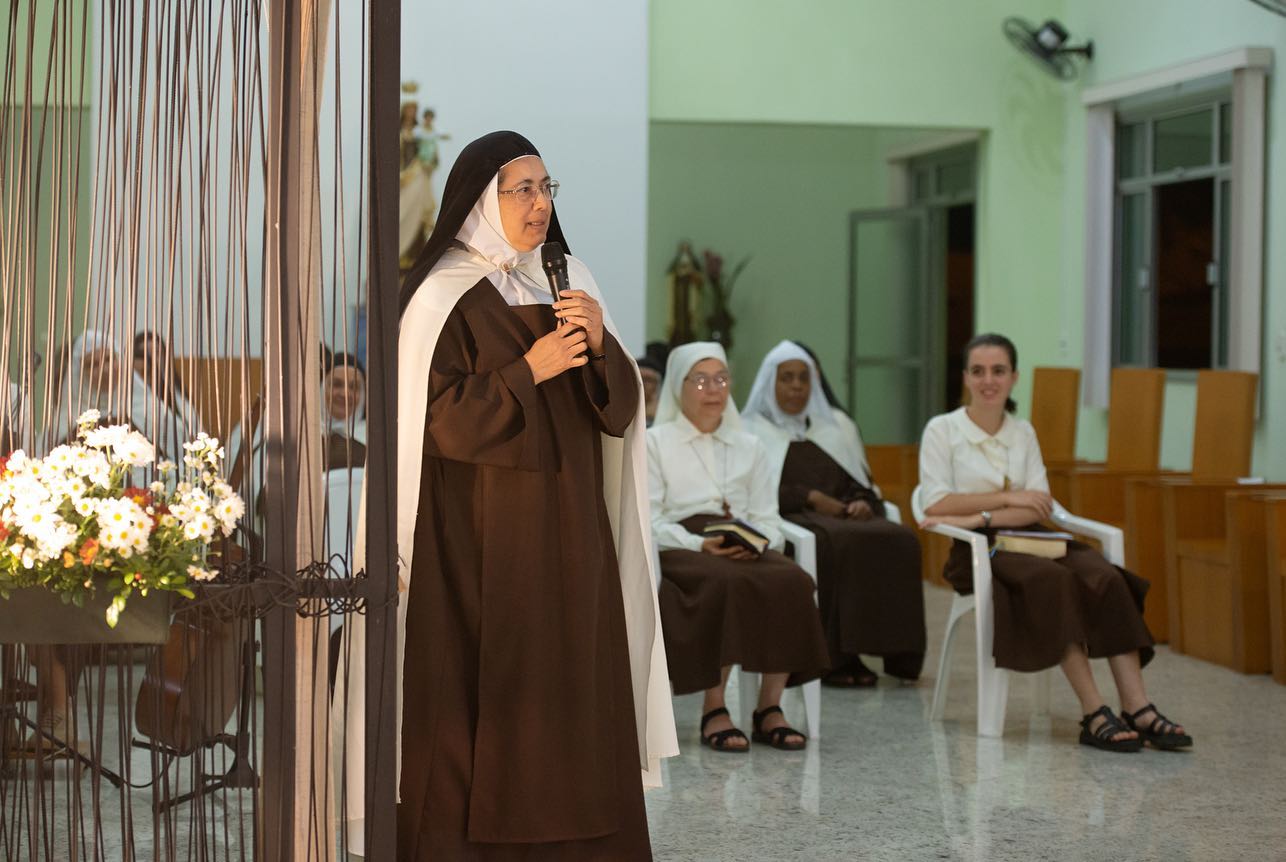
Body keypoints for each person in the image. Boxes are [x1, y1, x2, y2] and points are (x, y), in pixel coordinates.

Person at [369, 130, 674, 860]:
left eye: (547, 190)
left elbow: (619, 411)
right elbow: (431, 421)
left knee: (576, 693)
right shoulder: (440, 295)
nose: (540, 205)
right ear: (482, 201)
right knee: (485, 703)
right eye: (524, 190)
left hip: (572, 531)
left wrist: (601, 349)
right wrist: (527, 372)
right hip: (478, 541)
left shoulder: (570, 281)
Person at [918, 333, 1192, 753]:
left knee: (1105, 575)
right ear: (966, 378)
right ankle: (1093, 710)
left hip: (1030, 535)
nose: (988, 380)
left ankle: (1137, 706)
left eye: (998, 371)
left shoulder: (1022, 432)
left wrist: (981, 511)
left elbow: (1038, 506)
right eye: (978, 371)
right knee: (1052, 582)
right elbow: (937, 503)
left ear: (1014, 377)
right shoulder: (942, 430)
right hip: (977, 550)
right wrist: (1004, 501)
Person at [648, 342, 830, 752]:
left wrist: (758, 542)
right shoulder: (655, 442)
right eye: (701, 380)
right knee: (723, 584)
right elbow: (652, 518)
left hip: (744, 542)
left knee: (794, 581)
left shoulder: (750, 446)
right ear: (679, 386)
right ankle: (715, 708)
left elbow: (768, 516)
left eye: (721, 379)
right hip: (685, 547)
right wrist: (700, 543)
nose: (713, 389)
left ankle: (769, 708)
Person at [742, 340, 926, 686]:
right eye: (787, 378)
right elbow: (753, 491)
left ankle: (898, 656)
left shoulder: (833, 428)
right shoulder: (750, 429)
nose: (796, 386)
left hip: (843, 517)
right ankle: (834, 658)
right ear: (771, 383)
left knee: (900, 539)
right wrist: (810, 497)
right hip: (791, 517)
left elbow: (858, 479)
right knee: (832, 545)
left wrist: (860, 501)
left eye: (803, 378)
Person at [321, 351, 367, 470]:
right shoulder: (305, 436)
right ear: (321, 388)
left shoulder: (373, 438)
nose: (345, 393)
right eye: (337, 384)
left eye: (354, 387)